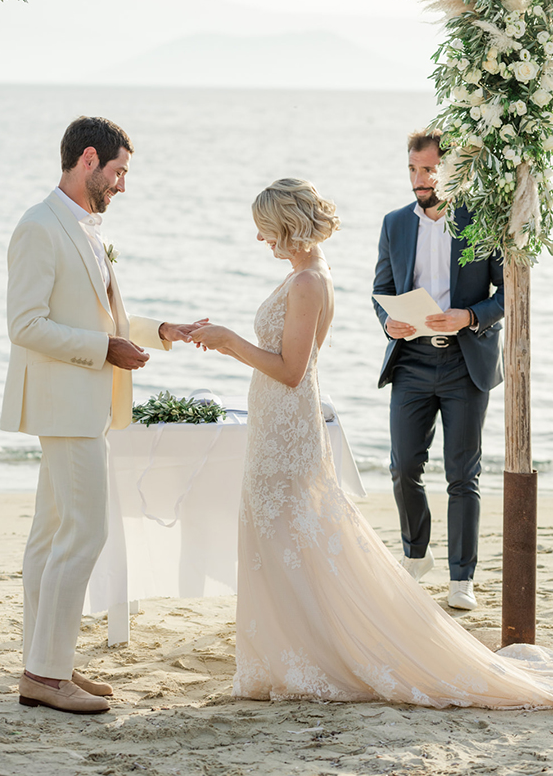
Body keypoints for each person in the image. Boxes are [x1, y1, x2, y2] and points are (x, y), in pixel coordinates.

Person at [192, 178, 553, 709]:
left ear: (289, 227)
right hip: (280, 420)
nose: (262, 241)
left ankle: (309, 653)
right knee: (285, 538)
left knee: (290, 533)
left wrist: (229, 342)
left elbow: (292, 370)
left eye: (268, 231)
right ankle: (290, 649)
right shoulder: (307, 276)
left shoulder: (309, 282)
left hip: (286, 420)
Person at [0, 116, 204, 714]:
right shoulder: (40, 227)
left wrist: (160, 331)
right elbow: (25, 324)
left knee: (49, 538)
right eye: (118, 172)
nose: (122, 186)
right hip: (65, 404)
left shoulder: (85, 229)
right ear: (89, 159)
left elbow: (104, 323)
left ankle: (44, 663)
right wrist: (103, 350)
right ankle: (46, 673)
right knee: (83, 532)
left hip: (83, 403)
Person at [372, 129, 504, 611]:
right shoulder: (394, 223)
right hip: (411, 360)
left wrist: (469, 316)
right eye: (413, 169)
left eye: (428, 169)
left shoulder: (481, 221)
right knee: (403, 466)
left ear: (451, 169)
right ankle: (415, 554)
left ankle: (461, 579)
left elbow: (508, 293)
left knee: (460, 475)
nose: (419, 179)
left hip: (465, 362)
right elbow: (380, 288)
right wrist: (390, 323)